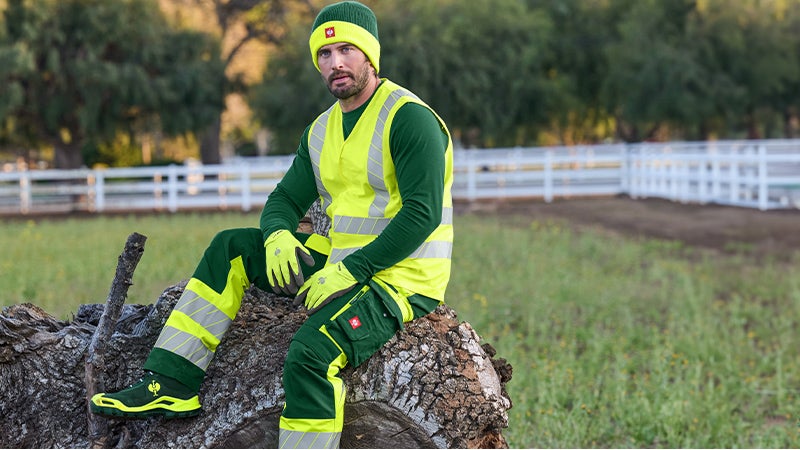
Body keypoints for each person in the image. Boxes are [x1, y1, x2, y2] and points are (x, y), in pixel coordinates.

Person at [90, 1, 454, 448]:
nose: (335, 63)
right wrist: (278, 234)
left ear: (370, 56)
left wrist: (352, 270)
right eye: (324, 54)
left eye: (346, 49)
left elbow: (423, 213)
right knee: (231, 247)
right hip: (341, 260)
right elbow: (284, 198)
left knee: (310, 354)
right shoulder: (321, 130)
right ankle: (171, 383)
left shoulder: (409, 118)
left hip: (401, 278)